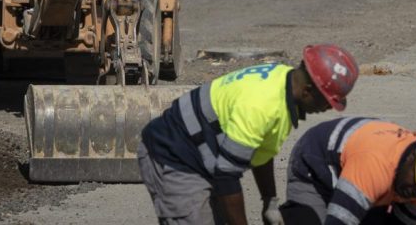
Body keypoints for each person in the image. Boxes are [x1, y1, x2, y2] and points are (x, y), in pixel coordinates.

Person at [138, 44, 359, 225]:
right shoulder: (261, 106)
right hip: (172, 155)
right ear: (307, 91)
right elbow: (226, 176)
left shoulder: (283, 81)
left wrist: (269, 201)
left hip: (202, 156)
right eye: (328, 101)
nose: (328, 108)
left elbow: (261, 150)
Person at [279, 118, 416, 225]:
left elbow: (401, 224)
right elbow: (339, 221)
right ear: (412, 158)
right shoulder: (375, 164)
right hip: (316, 163)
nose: (414, 193)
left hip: (368, 180)